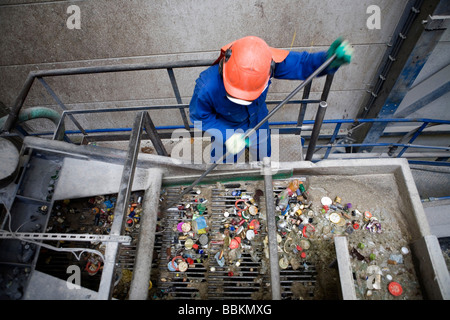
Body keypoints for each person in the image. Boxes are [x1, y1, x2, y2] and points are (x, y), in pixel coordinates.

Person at [189, 36, 352, 163]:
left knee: (263, 155)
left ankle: (262, 177)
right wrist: (227, 135)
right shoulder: (207, 86)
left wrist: (327, 60)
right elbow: (199, 117)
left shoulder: (265, 62)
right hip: (226, 124)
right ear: (224, 70)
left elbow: (302, 64)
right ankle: (223, 177)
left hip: (259, 120)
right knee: (222, 159)